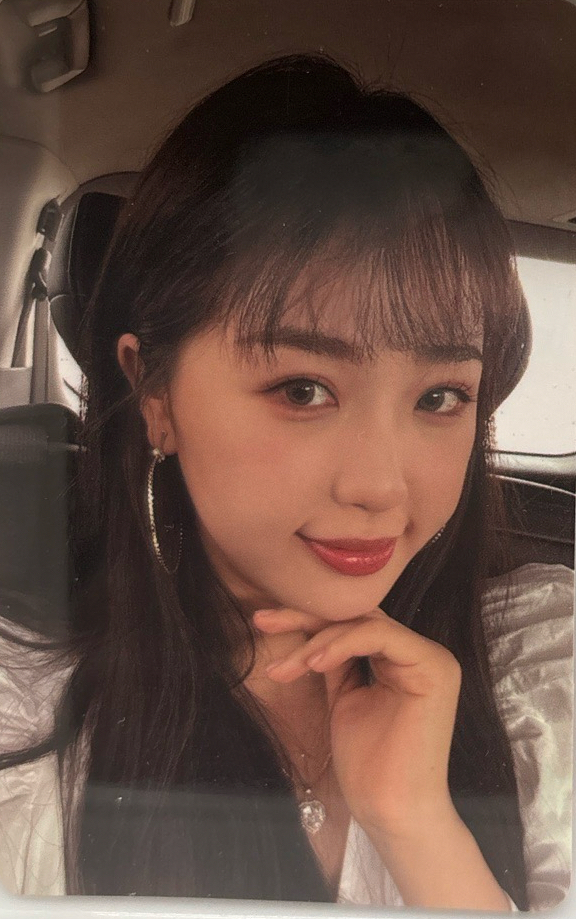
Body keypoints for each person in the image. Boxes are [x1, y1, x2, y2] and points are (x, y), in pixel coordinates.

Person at [0, 54, 572, 910]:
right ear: (155, 394)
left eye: (440, 397)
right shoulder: (26, 723)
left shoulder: (547, 679)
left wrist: (420, 828)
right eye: (303, 389)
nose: (381, 487)